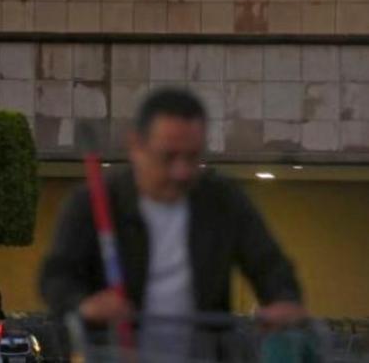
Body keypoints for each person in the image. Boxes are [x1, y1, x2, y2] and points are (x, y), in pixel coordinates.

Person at [39, 88, 304, 356]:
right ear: (136, 146)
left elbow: (269, 263)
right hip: (115, 352)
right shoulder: (94, 201)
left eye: (192, 157)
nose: (181, 171)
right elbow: (56, 276)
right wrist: (84, 305)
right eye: (168, 157)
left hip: (201, 352)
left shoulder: (222, 200)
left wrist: (283, 300)